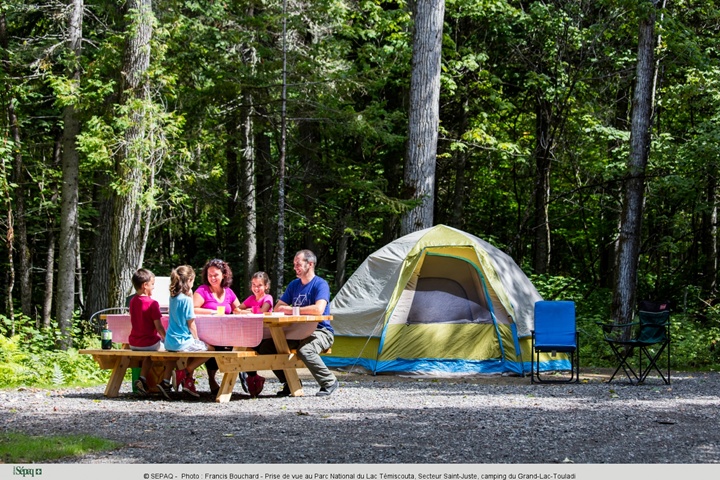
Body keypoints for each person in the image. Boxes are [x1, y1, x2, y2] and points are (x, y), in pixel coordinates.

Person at [258, 249, 339, 397]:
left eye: (298, 264)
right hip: (296, 332)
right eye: (294, 264)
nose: (295, 267)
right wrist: (289, 310)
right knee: (266, 347)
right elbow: (278, 308)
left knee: (305, 350)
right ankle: (290, 382)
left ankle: (329, 381)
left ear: (310, 264)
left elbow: (318, 309)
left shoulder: (320, 284)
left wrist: (291, 310)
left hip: (321, 331)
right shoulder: (294, 285)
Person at [192, 258, 243, 394]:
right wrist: (212, 312)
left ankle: (247, 374)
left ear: (224, 275)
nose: (213, 278)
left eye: (216, 275)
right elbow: (193, 309)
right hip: (205, 334)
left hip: (226, 334)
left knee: (243, 344)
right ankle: (212, 379)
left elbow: (238, 309)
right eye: (210, 275)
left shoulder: (228, 292)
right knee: (215, 346)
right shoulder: (203, 290)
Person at [162, 265, 210, 398]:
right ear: (189, 280)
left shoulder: (173, 298)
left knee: (179, 355)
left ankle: (174, 382)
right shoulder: (187, 300)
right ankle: (185, 372)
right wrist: (197, 339)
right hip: (182, 341)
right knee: (211, 350)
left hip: (170, 341)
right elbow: (191, 323)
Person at [128, 268, 173, 398]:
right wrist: (166, 339)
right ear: (145, 285)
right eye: (152, 284)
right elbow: (159, 327)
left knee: (148, 356)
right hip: (148, 343)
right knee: (172, 352)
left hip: (134, 343)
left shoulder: (132, 301)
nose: (153, 287)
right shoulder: (152, 303)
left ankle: (142, 379)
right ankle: (165, 382)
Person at [236, 271, 273, 396]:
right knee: (242, 349)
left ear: (266, 286)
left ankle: (251, 377)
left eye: (259, 285)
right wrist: (246, 310)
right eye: (254, 285)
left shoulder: (267, 298)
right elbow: (237, 309)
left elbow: (262, 311)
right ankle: (252, 377)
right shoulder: (251, 298)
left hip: (265, 334)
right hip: (251, 334)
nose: (256, 288)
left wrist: (247, 310)